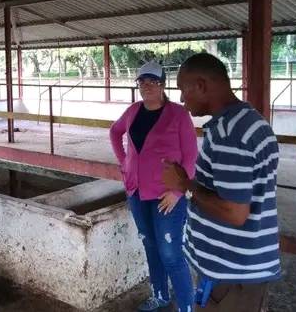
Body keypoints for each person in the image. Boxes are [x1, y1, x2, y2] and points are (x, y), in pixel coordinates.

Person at [162, 53, 280, 312]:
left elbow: (234, 212)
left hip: (232, 274)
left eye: (183, 89)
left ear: (201, 86)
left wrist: (185, 185)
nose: (181, 99)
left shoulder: (230, 134)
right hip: (237, 269)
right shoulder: (248, 121)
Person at [109, 60, 197, 312]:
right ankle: (160, 295)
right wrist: (124, 162)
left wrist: (178, 192)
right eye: (142, 81)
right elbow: (114, 132)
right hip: (137, 191)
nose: (147, 86)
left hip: (166, 195)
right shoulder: (133, 111)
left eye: (153, 81)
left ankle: (187, 307)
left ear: (162, 85)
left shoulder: (178, 114)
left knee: (170, 253)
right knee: (150, 245)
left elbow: (191, 156)